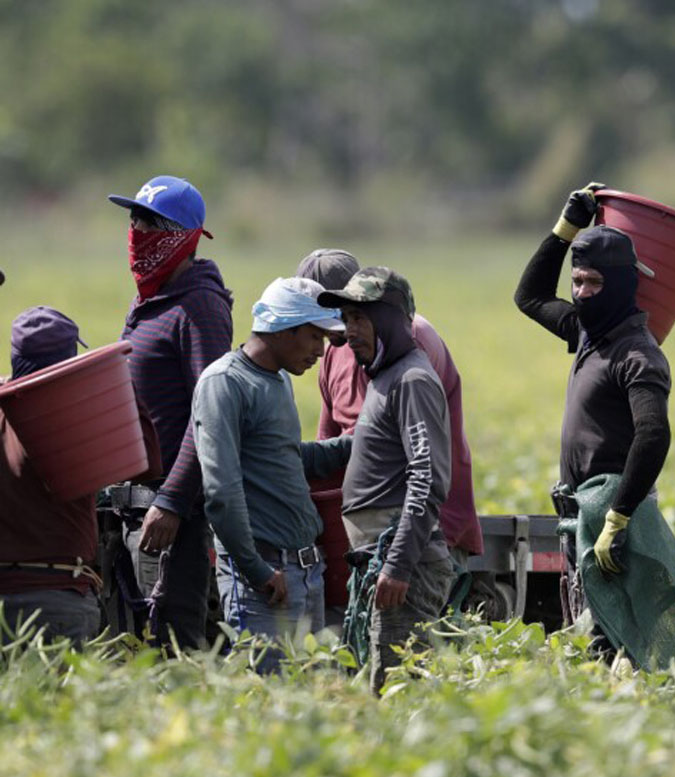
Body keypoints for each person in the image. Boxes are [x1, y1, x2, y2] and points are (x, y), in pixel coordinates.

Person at [514, 183, 675, 637]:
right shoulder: (588, 335)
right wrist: (565, 229)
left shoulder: (637, 355)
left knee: (613, 636)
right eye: (577, 281)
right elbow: (529, 297)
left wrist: (619, 517)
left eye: (594, 282)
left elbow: (653, 433)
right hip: (580, 512)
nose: (582, 293)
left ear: (622, 285)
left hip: (613, 516)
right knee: (585, 627)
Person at [191, 278, 351, 655]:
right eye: (315, 337)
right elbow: (221, 494)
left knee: (307, 700)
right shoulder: (225, 383)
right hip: (266, 579)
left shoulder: (278, 380)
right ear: (285, 327)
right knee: (267, 698)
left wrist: (361, 442)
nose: (319, 351)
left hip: (306, 572)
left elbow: (287, 460)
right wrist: (256, 570)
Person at [295, 249, 483, 568]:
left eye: (353, 315)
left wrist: (285, 456)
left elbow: (386, 450)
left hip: (416, 535)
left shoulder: (396, 348)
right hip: (382, 534)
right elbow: (331, 440)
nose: (328, 332)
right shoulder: (340, 352)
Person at [108, 175, 233, 649]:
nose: (137, 230)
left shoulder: (199, 306)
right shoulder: (149, 301)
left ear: (183, 237)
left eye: (151, 222)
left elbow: (210, 414)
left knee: (174, 640)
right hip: (140, 504)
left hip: (175, 512)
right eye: (134, 219)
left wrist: (173, 501)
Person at [316, 267, 454, 693]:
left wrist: (396, 564)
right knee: (381, 683)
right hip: (379, 559)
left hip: (400, 564)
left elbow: (426, 478)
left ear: (391, 320)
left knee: (399, 691)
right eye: (346, 318)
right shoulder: (384, 377)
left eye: (360, 318)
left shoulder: (411, 379)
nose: (349, 330)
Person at [0, 308, 160, 644]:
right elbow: (149, 465)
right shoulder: (75, 422)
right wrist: (124, 386)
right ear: (69, 357)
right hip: (58, 595)